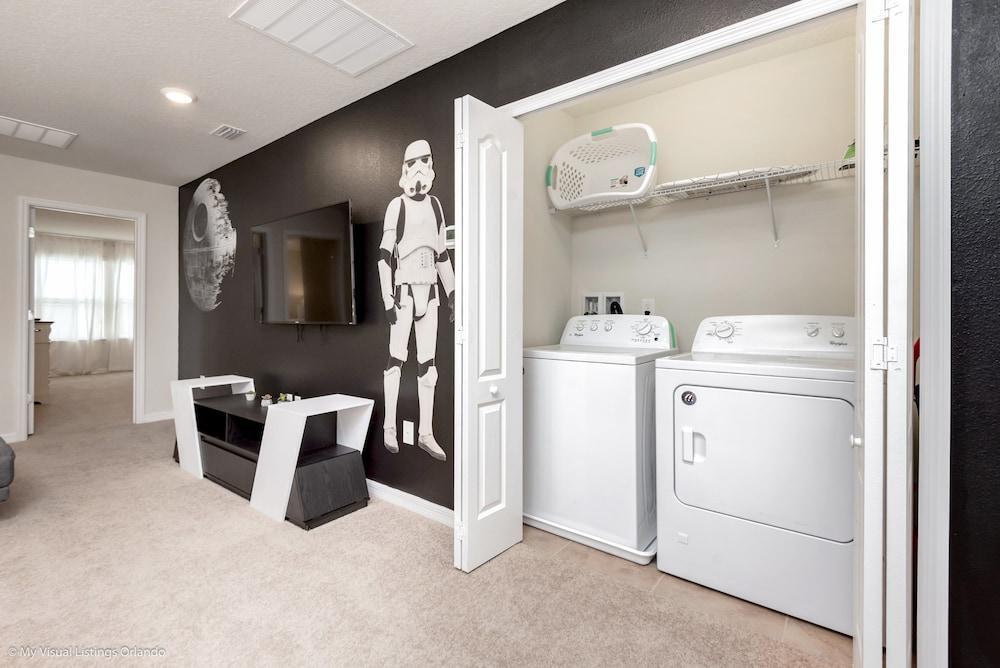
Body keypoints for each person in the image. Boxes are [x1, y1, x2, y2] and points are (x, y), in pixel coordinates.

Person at [377, 139, 455, 461]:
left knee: (428, 366)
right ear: (405, 168)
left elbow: (442, 254)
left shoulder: (436, 206)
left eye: (425, 160)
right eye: (413, 162)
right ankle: (389, 427)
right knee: (396, 360)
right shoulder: (397, 206)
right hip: (404, 293)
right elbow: (384, 256)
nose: (420, 168)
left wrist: (453, 293)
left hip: (430, 292)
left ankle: (425, 433)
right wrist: (387, 301)